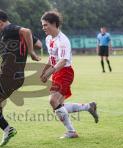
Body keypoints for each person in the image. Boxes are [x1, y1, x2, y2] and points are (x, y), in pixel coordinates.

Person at [0, 9, 41, 146]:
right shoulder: (14, 33)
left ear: (0, 22)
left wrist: (30, 52)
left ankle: (8, 129)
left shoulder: (9, 29)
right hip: (17, 77)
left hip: (8, 76)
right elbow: (39, 44)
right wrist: (28, 46)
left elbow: (27, 32)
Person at [40, 11, 99, 139]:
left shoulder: (63, 40)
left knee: (53, 100)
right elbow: (52, 58)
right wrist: (44, 71)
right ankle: (88, 107)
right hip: (57, 73)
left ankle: (72, 132)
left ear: (54, 24)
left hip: (65, 72)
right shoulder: (48, 38)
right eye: (43, 25)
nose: (43, 27)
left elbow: (63, 61)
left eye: (45, 25)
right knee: (57, 106)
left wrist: (49, 73)